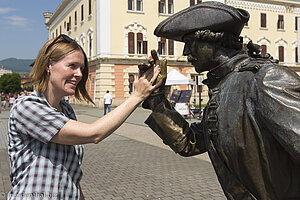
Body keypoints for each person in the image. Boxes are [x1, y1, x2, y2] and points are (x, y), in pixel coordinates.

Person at [143, 2, 300, 200]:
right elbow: (189, 142)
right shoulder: (223, 88)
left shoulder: (264, 79)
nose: (186, 53)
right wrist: (156, 97)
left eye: (191, 44)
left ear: (213, 41)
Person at [8, 34, 161, 199]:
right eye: (72, 66)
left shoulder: (66, 110)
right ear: (48, 65)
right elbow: (93, 133)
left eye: (81, 68)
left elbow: (69, 171)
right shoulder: (27, 107)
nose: (79, 74)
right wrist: (136, 96)